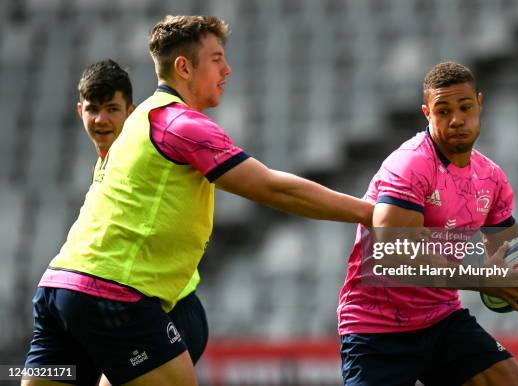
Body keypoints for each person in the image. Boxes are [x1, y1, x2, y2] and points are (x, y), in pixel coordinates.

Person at [22, 15, 373, 386]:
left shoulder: (139, 119)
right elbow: (273, 188)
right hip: (112, 294)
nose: (227, 69)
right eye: (217, 58)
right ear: (184, 67)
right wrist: (370, 213)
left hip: (58, 291)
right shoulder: (181, 125)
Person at [337, 62, 518, 386]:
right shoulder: (409, 164)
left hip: (441, 317)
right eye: (443, 110)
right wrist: (484, 279)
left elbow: (508, 252)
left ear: (479, 103)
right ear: (426, 113)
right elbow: (394, 258)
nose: (457, 119)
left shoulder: (491, 177)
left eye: (465, 107)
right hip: (377, 326)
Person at [76, 59, 209, 386]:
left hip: (170, 311)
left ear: (131, 111)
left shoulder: (141, 155)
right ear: (80, 111)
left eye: (112, 109)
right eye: (93, 109)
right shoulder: (106, 166)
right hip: (134, 311)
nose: (101, 119)